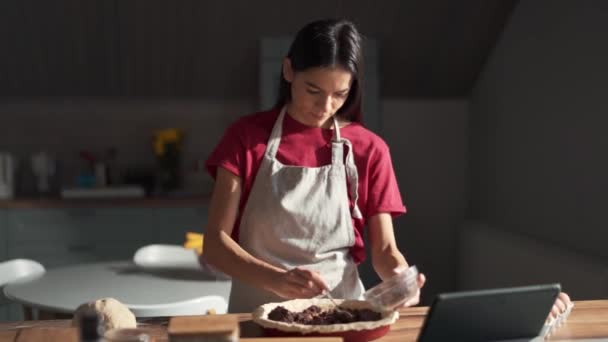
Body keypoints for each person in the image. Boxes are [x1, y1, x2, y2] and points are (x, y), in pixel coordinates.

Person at [202, 18, 571, 316]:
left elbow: (384, 250)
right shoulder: (246, 137)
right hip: (257, 317)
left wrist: (399, 278)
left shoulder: (368, 148)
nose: (325, 105)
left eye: (340, 93)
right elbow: (216, 246)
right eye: (313, 90)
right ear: (288, 71)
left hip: (339, 316)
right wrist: (278, 280)